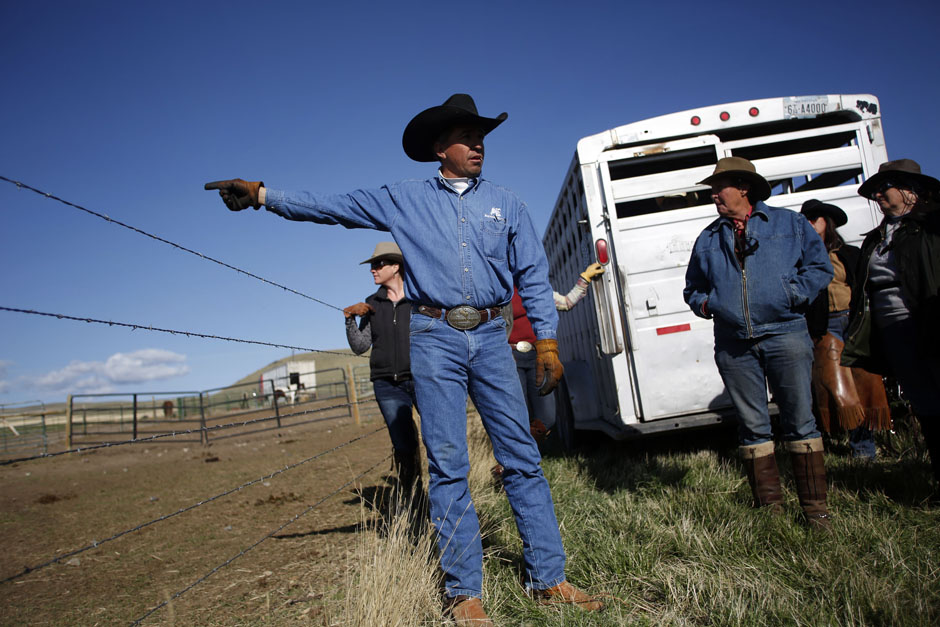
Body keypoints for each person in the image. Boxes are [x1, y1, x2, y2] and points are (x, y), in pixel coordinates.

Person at [205, 94, 604, 624]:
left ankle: (548, 579)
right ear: (440, 148)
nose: (478, 145)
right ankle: (463, 593)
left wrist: (547, 341)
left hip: (492, 338)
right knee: (448, 465)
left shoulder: (506, 204)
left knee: (522, 458)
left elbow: (532, 273)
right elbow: (333, 206)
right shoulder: (403, 198)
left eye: (481, 136)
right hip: (434, 337)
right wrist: (263, 195)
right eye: (467, 136)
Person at [683, 157, 834, 527]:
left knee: (801, 422)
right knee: (752, 427)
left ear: (744, 188)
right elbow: (693, 288)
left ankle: (816, 512)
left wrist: (792, 294)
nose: (714, 194)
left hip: (786, 335)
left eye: (719, 187)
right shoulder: (707, 238)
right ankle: (771, 514)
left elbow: (820, 268)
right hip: (734, 345)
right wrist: (710, 305)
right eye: (712, 189)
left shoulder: (789, 224)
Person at [842, 159, 940, 485]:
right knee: (924, 402)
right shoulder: (876, 238)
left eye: (885, 188)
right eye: (876, 190)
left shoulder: (931, 226)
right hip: (892, 329)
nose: (878, 195)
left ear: (909, 189)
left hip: (928, 322)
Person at [801, 200, 890, 460]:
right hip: (825, 325)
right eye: (806, 219)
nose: (809, 223)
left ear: (826, 222)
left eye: (814, 218)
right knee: (839, 388)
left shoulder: (849, 254)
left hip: (854, 321)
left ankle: (865, 449)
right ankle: (857, 446)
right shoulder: (800, 259)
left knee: (864, 382)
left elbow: (864, 287)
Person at [343, 242, 421, 493]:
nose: (373, 269)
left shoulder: (419, 299)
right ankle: (413, 496)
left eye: (379, 264)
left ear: (396, 267)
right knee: (403, 445)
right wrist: (349, 319)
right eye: (373, 265)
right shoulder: (372, 304)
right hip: (387, 384)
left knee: (437, 437)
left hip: (422, 378)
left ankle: (446, 496)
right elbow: (360, 346)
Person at [509, 262, 604, 443]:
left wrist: (585, 278)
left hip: (538, 355)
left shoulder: (534, 290)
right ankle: (522, 455)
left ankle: (528, 446)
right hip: (511, 357)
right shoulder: (500, 293)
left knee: (547, 417)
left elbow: (566, 303)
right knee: (517, 415)